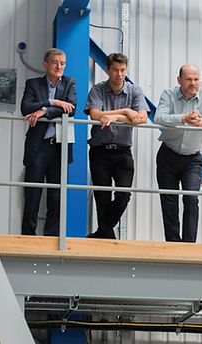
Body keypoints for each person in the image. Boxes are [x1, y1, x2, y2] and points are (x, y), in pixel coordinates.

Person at [154, 64, 202, 242]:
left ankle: (189, 245)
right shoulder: (168, 95)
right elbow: (159, 118)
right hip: (168, 155)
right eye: (188, 79)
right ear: (179, 80)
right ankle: (172, 244)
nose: (193, 83)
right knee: (169, 201)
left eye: (196, 79)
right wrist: (184, 118)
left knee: (191, 199)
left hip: (193, 159)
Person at [84, 53, 148, 239]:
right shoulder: (98, 89)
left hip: (122, 151)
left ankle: (103, 232)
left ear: (126, 70)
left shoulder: (135, 91)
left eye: (122, 70)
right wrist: (126, 111)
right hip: (99, 150)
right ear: (107, 70)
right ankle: (106, 236)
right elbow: (95, 115)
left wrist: (115, 117)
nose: (119, 74)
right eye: (115, 70)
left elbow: (142, 117)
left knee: (123, 195)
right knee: (101, 196)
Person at [20, 48, 76, 237]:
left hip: (60, 148)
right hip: (38, 149)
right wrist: (54, 102)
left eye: (62, 63)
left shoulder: (69, 83)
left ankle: (52, 240)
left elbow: (72, 108)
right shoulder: (33, 84)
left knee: (57, 198)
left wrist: (44, 111)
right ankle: (28, 238)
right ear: (45, 64)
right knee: (32, 196)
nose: (59, 66)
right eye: (55, 63)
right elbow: (25, 108)